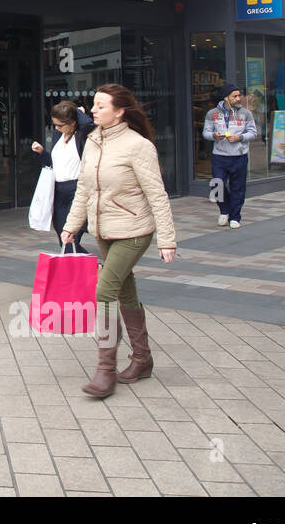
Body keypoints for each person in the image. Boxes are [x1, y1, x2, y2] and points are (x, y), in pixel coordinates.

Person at [61, 84, 177, 400]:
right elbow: (84, 189)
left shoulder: (138, 146)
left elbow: (157, 194)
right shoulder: (93, 141)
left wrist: (167, 239)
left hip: (134, 230)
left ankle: (105, 370)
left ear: (119, 111)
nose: (93, 110)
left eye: (101, 106)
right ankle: (142, 359)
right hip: (105, 230)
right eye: (94, 105)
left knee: (104, 290)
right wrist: (72, 226)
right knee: (125, 291)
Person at [31, 100, 96, 253]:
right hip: (58, 191)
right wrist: (42, 153)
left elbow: (89, 124)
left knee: (70, 239)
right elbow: (54, 163)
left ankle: (95, 267)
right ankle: (96, 266)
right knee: (64, 241)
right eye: (55, 125)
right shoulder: (58, 135)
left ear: (72, 123)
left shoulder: (81, 136)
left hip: (77, 190)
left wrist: (78, 111)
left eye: (60, 125)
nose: (57, 128)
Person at [202, 83, 259, 228]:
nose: (238, 98)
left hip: (239, 156)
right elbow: (206, 132)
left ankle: (235, 217)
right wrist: (214, 136)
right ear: (226, 97)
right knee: (217, 184)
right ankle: (224, 210)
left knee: (237, 188)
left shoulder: (246, 113)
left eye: (239, 95)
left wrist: (240, 137)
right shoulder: (212, 113)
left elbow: (253, 133)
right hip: (219, 156)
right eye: (235, 96)